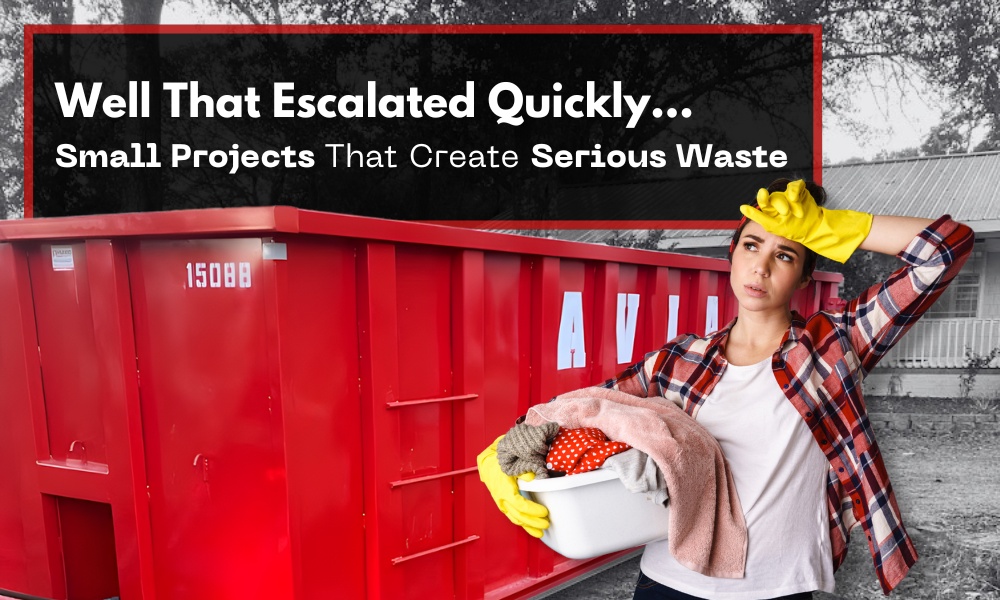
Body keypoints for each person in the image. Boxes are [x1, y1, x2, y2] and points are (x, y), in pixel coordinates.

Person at [478, 178, 975, 599]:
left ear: (804, 274)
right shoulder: (677, 361)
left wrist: (825, 226)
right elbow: (575, 411)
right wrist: (501, 453)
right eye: (752, 246)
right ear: (732, 254)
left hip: (780, 585)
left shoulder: (832, 345)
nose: (761, 267)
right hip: (669, 582)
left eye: (785, 254)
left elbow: (946, 249)